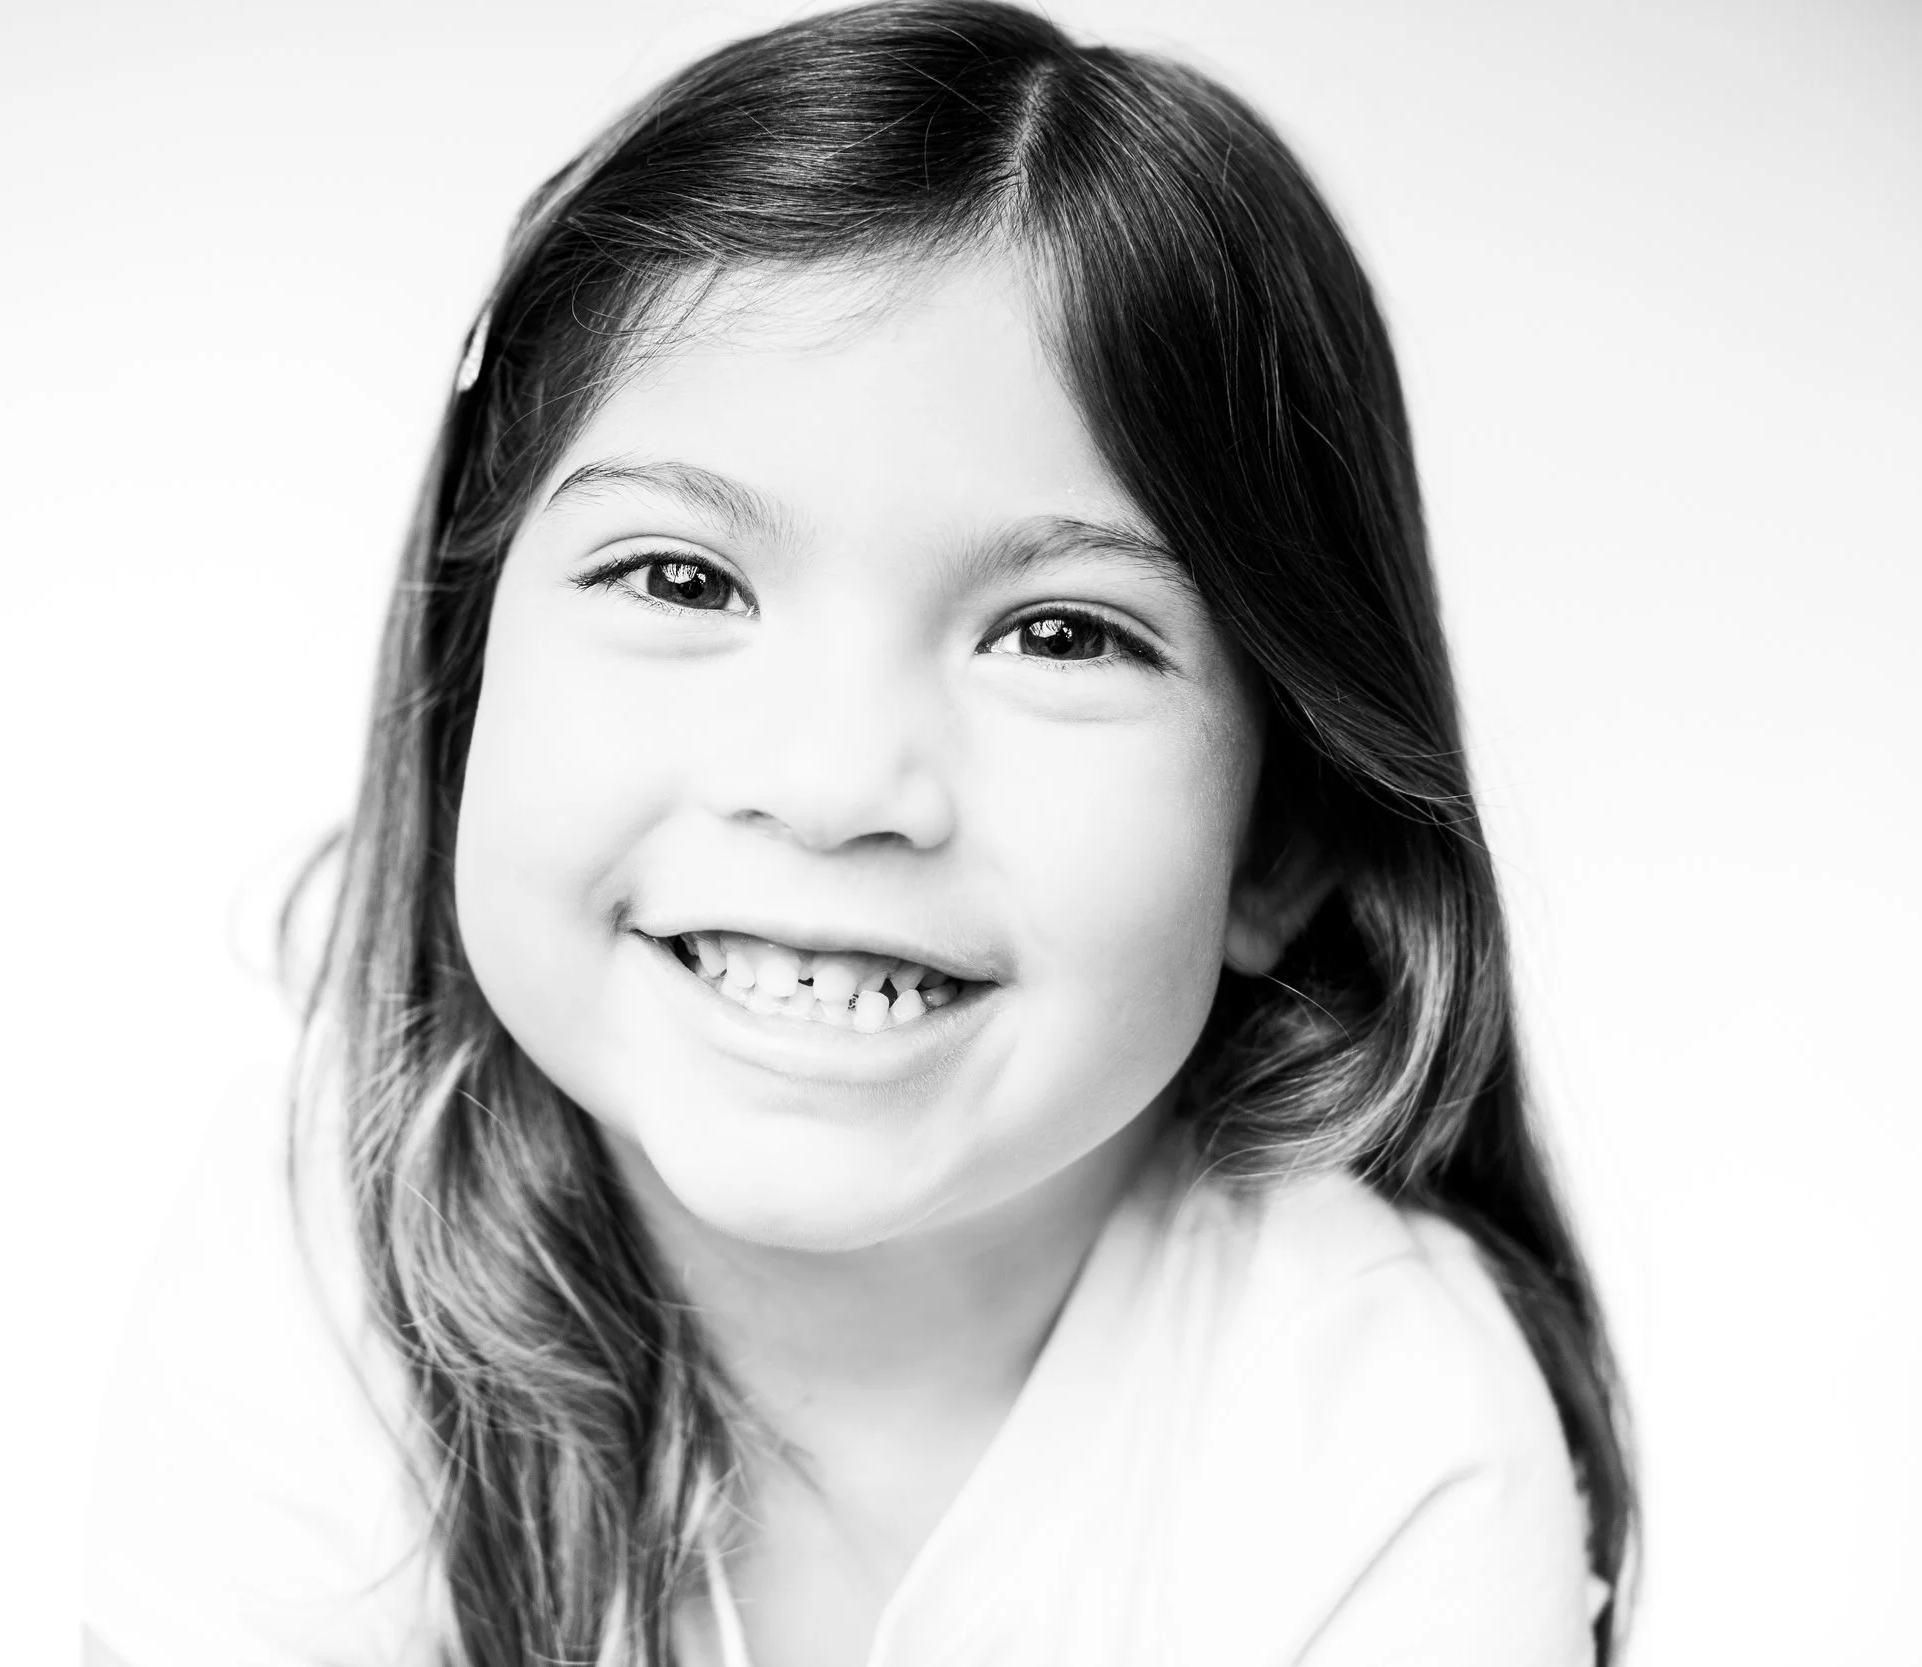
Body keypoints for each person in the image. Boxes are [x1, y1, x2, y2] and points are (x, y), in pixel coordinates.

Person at [84, 4, 1636, 1663]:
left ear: (1285, 841)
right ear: (468, 683)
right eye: (683, 580)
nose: (831, 783)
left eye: (1060, 635)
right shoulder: (331, 1258)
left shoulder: (1383, 1424)